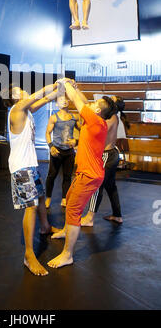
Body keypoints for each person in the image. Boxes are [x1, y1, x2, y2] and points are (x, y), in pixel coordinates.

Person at [47, 79, 116, 269]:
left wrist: (65, 82)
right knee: (69, 199)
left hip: (90, 175)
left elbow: (78, 103)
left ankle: (67, 254)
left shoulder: (94, 120)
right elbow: (84, 103)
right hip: (87, 173)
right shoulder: (97, 120)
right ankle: (65, 231)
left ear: (97, 111)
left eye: (94, 104)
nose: (90, 104)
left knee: (73, 211)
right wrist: (76, 88)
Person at [4, 82, 62, 276]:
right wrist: (56, 84)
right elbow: (40, 95)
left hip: (31, 164)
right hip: (21, 167)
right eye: (18, 90)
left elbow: (45, 99)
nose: (22, 90)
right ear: (14, 97)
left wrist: (62, 89)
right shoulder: (17, 109)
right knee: (30, 206)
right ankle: (29, 255)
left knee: (40, 197)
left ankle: (45, 227)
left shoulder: (26, 109)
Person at [81, 96, 130, 226]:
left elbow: (98, 128)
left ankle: (90, 218)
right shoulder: (113, 117)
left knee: (97, 186)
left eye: (111, 99)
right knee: (110, 186)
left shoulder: (111, 118)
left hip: (107, 155)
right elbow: (86, 103)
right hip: (111, 154)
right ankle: (117, 215)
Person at [45, 94, 80, 208]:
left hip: (69, 152)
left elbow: (84, 131)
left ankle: (64, 198)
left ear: (68, 102)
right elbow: (47, 133)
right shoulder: (54, 117)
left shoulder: (74, 117)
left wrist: (76, 140)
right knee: (52, 175)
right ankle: (48, 197)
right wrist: (51, 146)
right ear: (57, 104)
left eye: (66, 100)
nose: (64, 101)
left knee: (67, 176)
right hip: (57, 151)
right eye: (61, 100)